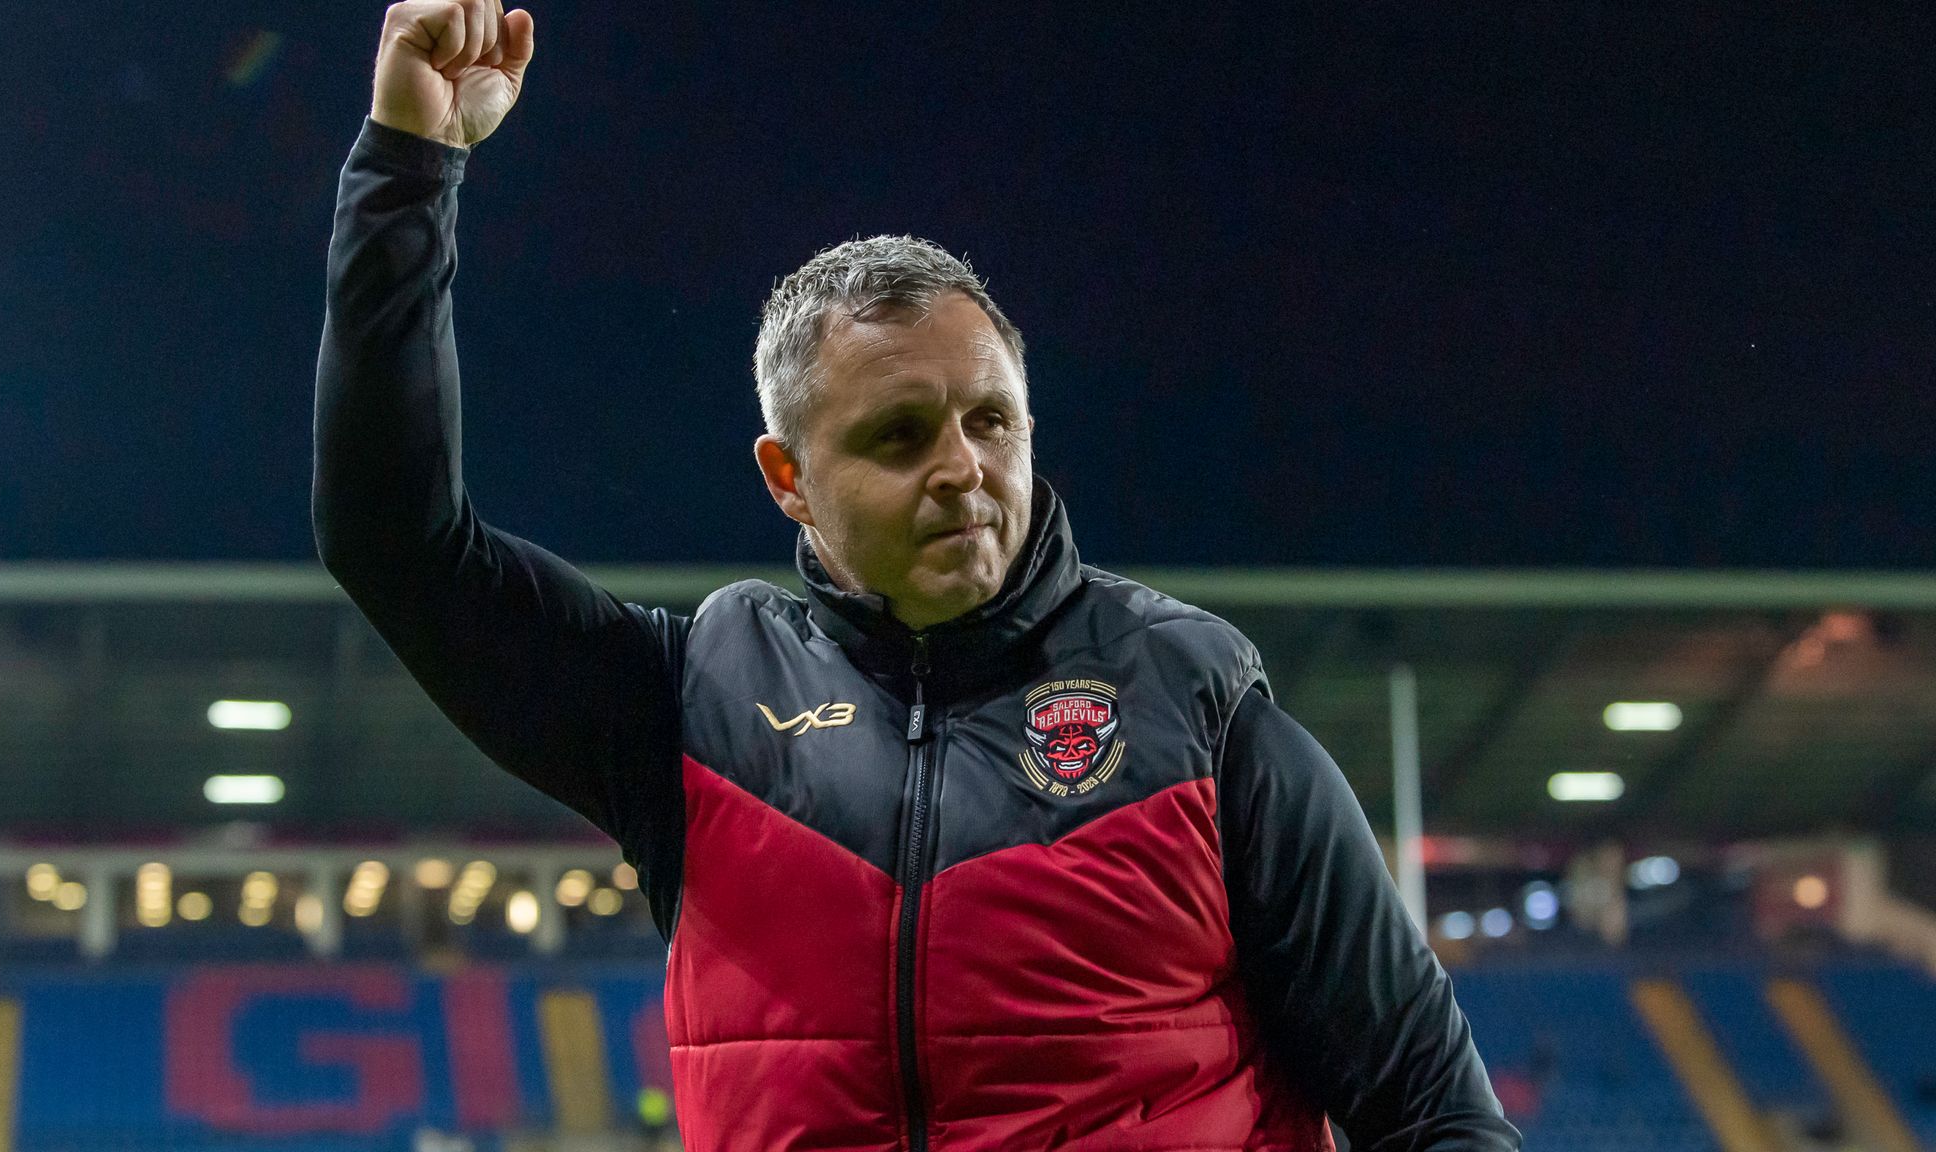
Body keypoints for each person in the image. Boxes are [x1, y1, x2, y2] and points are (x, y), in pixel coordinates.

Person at [312, 3, 1522, 1149]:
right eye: (899, 435)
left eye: (991, 422)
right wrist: (409, 163)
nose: (961, 467)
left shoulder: (1195, 711)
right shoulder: (689, 710)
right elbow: (393, 542)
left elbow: (1430, 1107)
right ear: (787, 477)